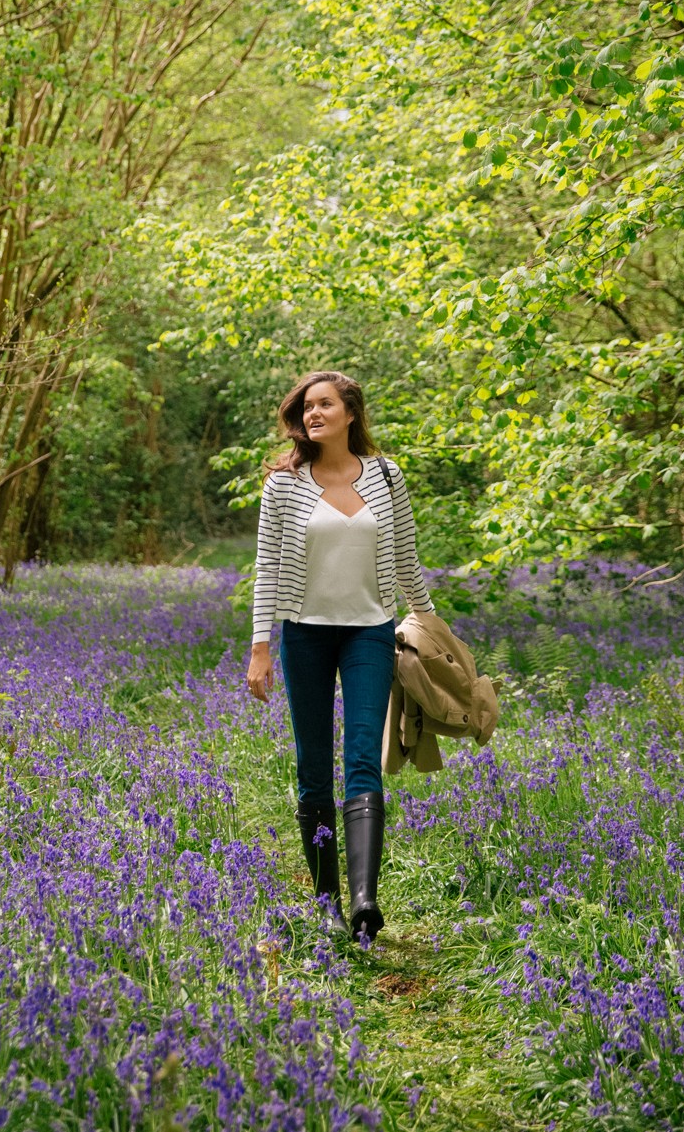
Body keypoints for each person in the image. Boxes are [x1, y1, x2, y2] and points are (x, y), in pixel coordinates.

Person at [246, 371, 436, 943]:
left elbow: (405, 557)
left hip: (369, 634)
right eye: (307, 407)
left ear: (350, 412)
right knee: (312, 767)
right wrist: (261, 649)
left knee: (362, 760)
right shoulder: (284, 485)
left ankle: (364, 902)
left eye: (325, 404)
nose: (313, 414)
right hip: (305, 635)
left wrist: (429, 622)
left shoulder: (385, 475)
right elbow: (269, 570)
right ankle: (326, 901)